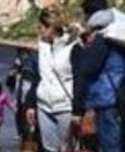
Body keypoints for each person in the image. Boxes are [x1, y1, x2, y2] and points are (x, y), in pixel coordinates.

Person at [72, 0, 125, 152]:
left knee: (109, 144)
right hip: (123, 98)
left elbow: (88, 68)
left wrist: (82, 51)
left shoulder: (102, 39)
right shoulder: (118, 34)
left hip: (107, 100)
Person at [35, 8, 79, 152]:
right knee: (49, 148)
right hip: (44, 104)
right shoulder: (43, 45)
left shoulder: (73, 46)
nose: (38, 31)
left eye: (40, 27)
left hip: (65, 105)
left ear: (51, 27)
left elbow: (80, 78)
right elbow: (40, 75)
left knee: (68, 147)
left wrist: (79, 109)